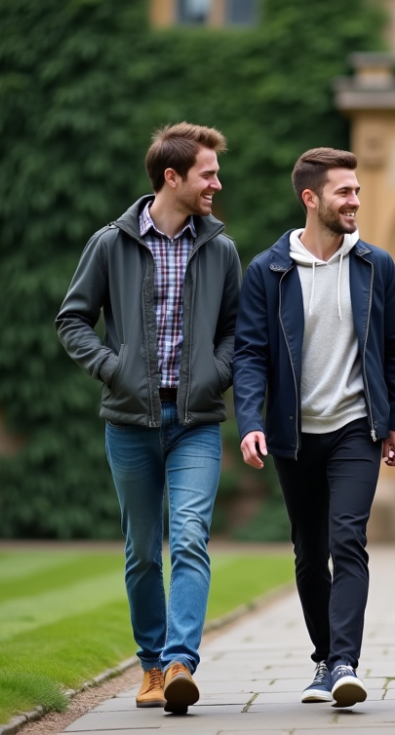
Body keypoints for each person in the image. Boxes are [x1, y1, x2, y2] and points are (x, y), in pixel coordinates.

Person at [56, 123, 242, 714]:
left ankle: (182, 662)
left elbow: (239, 332)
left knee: (189, 537)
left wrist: (215, 373)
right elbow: (73, 320)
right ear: (172, 176)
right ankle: (152, 668)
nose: (217, 182)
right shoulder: (110, 244)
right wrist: (115, 370)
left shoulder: (220, 248)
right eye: (207, 174)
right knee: (142, 551)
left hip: (197, 421)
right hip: (130, 420)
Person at [233, 148, 395, 709]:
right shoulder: (269, 270)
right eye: (344, 192)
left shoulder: (376, 265)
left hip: (356, 428)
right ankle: (322, 658)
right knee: (310, 552)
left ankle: (343, 663)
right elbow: (250, 353)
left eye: (357, 190)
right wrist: (248, 420)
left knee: (347, 540)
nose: (355, 200)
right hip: (292, 433)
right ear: (311, 198)